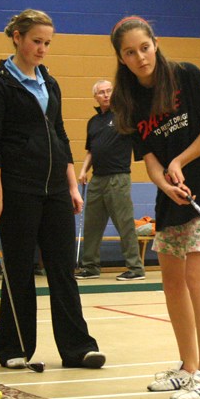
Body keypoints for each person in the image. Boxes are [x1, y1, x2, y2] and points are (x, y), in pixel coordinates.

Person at [110, 16, 200, 399]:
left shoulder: (187, 76)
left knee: (197, 277)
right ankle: (188, 367)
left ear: (156, 44)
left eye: (144, 47)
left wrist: (179, 160)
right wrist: (164, 182)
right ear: (121, 58)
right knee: (172, 281)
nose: (140, 57)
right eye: (130, 52)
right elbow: (148, 158)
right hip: (171, 196)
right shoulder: (126, 100)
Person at [0, 9, 105, 370]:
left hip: (55, 191)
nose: (42, 49)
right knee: (18, 268)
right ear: (17, 37)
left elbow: (59, 136)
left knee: (63, 268)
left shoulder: (50, 83)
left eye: (47, 43)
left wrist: (72, 187)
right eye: (36, 41)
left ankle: (78, 348)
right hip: (17, 189)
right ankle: (14, 347)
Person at [74, 79, 145, 281]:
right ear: (95, 97)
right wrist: (83, 170)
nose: (105, 95)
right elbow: (91, 150)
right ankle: (90, 266)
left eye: (108, 91)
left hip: (118, 178)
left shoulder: (125, 115)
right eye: (101, 92)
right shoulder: (93, 122)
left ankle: (135, 268)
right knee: (92, 224)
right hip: (97, 179)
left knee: (124, 224)